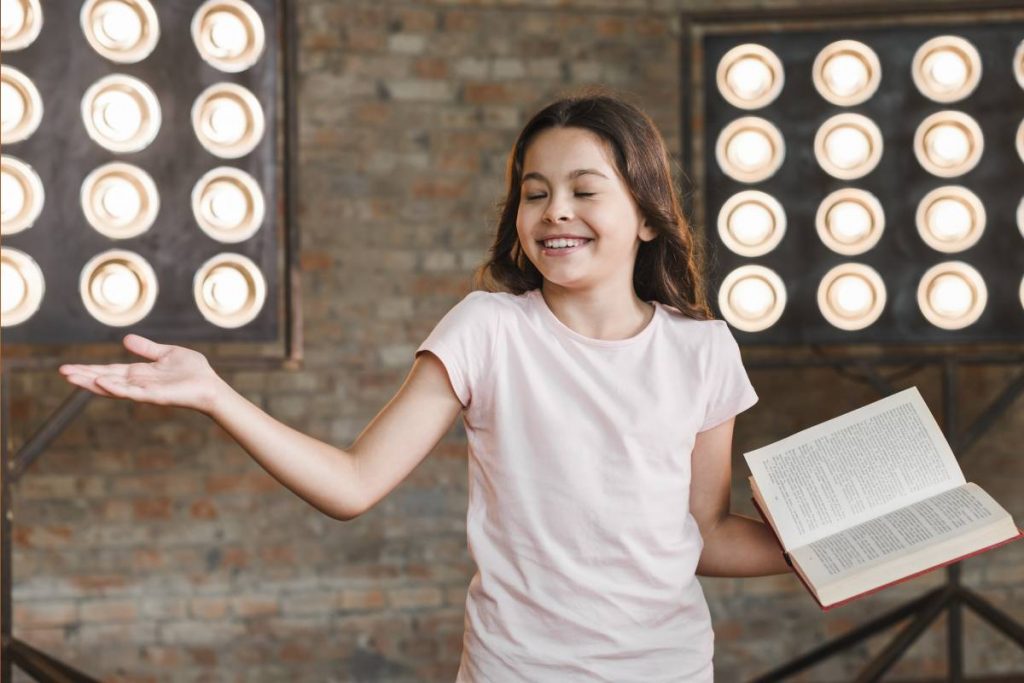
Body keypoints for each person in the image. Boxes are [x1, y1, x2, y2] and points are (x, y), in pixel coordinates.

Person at [59, 91, 793, 682]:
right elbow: (351, 484)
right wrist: (216, 393)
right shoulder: (488, 329)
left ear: (645, 215)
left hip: (670, 669)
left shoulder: (702, 350)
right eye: (535, 193)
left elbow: (701, 534)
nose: (555, 211)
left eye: (583, 190)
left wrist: (822, 545)